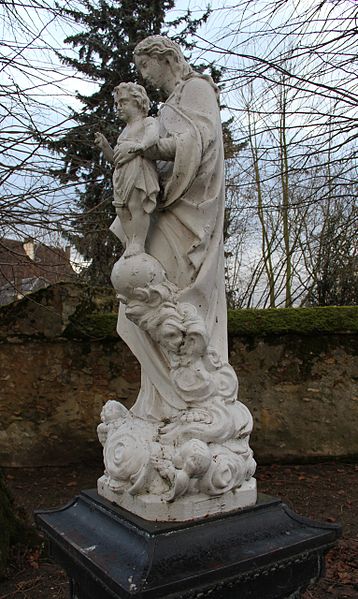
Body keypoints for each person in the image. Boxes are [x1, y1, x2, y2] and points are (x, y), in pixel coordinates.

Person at [111, 36, 228, 421]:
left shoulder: (196, 89)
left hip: (191, 210)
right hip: (170, 204)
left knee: (172, 297)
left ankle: (190, 400)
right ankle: (158, 403)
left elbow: (201, 139)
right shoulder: (170, 102)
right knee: (150, 293)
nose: (143, 75)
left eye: (145, 66)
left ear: (165, 59)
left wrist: (150, 149)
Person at [95, 82, 159, 257]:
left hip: (139, 171)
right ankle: (130, 242)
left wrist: (141, 146)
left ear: (138, 103)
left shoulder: (147, 122)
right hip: (121, 174)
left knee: (136, 206)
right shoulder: (124, 131)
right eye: (116, 104)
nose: (118, 107)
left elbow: (153, 137)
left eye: (123, 103)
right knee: (121, 209)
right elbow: (116, 158)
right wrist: (106, 147)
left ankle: (138, 243)